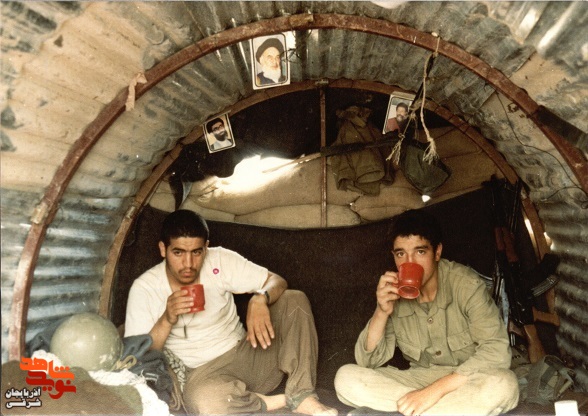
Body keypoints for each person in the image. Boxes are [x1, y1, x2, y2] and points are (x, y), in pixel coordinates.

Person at [125, 210, 337, 415]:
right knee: (207, 403)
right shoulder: (145, 288)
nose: (188, 264)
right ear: (163, 249)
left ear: (206, 248)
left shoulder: (219, 260)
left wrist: (260, 298)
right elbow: (141, 355)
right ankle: (273, 401)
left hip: (251, 355)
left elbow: (276, 281)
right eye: (178, 253)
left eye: (196, 252)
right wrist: (167, 318)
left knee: (294, 299)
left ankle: (301, 395)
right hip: (205, 375)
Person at [334, 209, 519, 416]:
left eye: (420, 252)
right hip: (417, 382)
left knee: (504, 384)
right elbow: (368, 362)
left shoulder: (466, 285)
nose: (409, 262)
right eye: (401, 254)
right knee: (346, 377)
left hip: (465, 379)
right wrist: (381, 311)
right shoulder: (394, 290)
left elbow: (497, 351)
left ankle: (408, 411)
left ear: (437, 252)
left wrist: (432, 393)